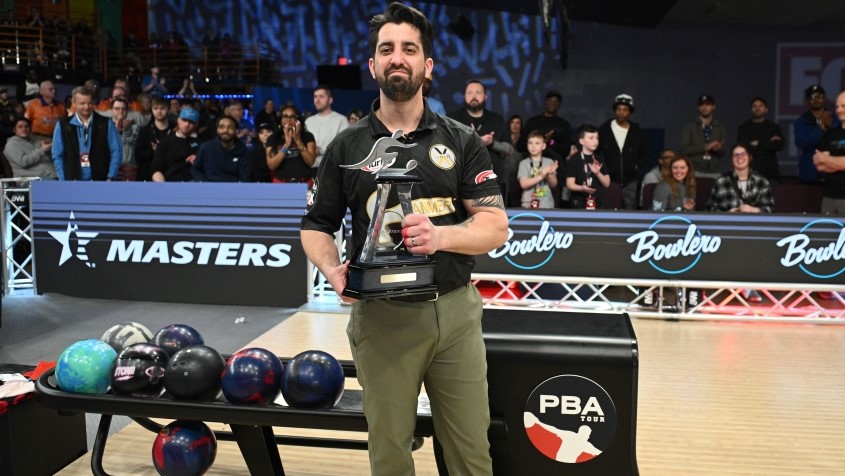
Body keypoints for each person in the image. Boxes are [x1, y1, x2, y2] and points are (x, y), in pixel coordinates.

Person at [300, 3, 507, 475]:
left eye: (409, 49)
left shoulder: (460, 140)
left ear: (427, 66)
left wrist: (439, 235)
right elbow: (315, 225)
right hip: (382, 318)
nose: (398, 57)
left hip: (455, 312)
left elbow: (496, 226)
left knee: (472, 455)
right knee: (391, 453)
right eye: (387, 49)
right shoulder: (346, 147)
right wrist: (332, 269)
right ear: (373, 65)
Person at [447, 79, 512, 199]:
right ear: (464, 97)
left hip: (491, 184)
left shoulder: (497, 120)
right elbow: (445, 147)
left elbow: (509, 150)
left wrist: (492, 143)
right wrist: (474, 142)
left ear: (485, 97)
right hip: (460, 182)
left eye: (478, 92)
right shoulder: (452, 119)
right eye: (470, 93)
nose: (474, 96)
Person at [51, 86, 121, 181]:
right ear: (74, 103)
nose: (87, 107)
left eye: (90, 103)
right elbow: (57, 155)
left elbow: (116, 152)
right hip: (72, 182)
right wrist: (63, 180)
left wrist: (111, 177)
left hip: (102, 181)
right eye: (82, 103)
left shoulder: (106, 123)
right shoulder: (63, 125)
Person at [598, 93, 649, 209]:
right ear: (614, 111)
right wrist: (603, 169)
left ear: (630, 112)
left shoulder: (636, 131)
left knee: (630, 211)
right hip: (609, 179)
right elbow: (596, 152)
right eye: (618, 109)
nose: (621, 112)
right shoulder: (604, 129)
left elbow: (645, 154)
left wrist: (636, 166)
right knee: (609, 210)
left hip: (630, 180)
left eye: (625, 110)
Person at [706, 143, 775, 214]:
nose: (739, 157)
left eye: (743, 154)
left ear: (750, 157)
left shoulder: (762, 182)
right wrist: (727, 214)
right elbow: (709, 209)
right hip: (729, 221)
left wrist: (754, 210)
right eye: (736, 155)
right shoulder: (721, 182)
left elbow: (770, 210)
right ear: (731, 159)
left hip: (754, 221)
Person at [795, 84, 840, 184]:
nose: (816, 99)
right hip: (810, 173)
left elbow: (840, 141)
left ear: (825, 98)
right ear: (807, 101)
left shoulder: (836, 119)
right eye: (812, 97)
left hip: (833, 172)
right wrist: (821, 129)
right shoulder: (801, 121)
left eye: (819, 96)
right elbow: (802, 143)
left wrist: (831, 127)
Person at [736, 97, 784, 182]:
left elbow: (779, 146)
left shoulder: (774, 127)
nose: (757, 108)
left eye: (760, 106)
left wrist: (759, 142)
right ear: (751, 109)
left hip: (770, 172)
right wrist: (768, 143)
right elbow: (744, 148)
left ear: (766, 109)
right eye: (754, 106)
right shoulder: (744, 128)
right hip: (750, 171)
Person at [813, 90, 845, 215]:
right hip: (829, 196)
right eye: (837, 106)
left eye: (843, 106)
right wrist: (839, 163)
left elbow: (823, 160)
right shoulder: (831, 133)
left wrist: (826, 159)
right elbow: (818, 164)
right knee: (826, 227)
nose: (839, 110)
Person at [191, 115, 251, 182]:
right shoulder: (206, 147)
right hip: (209, 186)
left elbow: (245, 179)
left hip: (233, 187)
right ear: (217, 130)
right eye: (222, 127)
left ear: (236, 131)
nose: (225, 130)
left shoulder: (244, 151)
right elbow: (195, 169)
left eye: (230, 127)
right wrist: (204, 184)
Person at [267, 105, 317, 184]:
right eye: (285, 117)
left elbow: (310, 162)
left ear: (297, 120)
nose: (289, 120)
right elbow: (271, 165)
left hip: (304, 183)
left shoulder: (307, 136)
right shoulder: (273, 138)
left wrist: (298, 141)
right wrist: (286, 144)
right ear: (280, 120)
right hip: (281, 183)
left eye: (292, 117)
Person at [304, 85, 349, 172]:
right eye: (315, 97)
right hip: (309, 170)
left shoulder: (341, 120)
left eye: (321, 96)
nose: (317, 100)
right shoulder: (308, 121)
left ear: (330, 100)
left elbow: (345, 148)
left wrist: (320, 150)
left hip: (332, 170)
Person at [519, 90, 572, 162]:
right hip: (533, 162)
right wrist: (538, 141)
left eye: (556, 101)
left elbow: (566, 151)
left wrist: (551, 142)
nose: (552, 103)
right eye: (550, 100)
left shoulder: (564, 125)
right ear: (545, 102)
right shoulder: (532, 122)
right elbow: (520, 146)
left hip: (555, 163)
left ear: (559, 104)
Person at [680, 94, 725, 179]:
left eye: (708, 104)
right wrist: (705, 148)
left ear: (713, 107)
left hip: (714, 171)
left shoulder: (719, 127)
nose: (704, 107)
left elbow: (723, 152)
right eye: (701, 104)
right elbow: (684, 149)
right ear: (698, 107)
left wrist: (718, 149)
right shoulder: (690, 126)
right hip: (694, 170)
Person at [566, 124, 610, 209]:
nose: (596, 141)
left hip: (598, 201)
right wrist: (582, 188)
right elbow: (569, 184)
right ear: (582, 141)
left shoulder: (599, 158)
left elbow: (607, 183)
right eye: (591, 138)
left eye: (597, 138)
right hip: (579, 202)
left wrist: (598, 173)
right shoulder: (574, 159)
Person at [151, 108, 200, 182]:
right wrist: (163, 186)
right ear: (178, 120)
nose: (187, 124)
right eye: (184, 120)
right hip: (171, 182)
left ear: (196, 124)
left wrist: (200, 161)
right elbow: (156, 170)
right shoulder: (166, 142)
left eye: (191, 122)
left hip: (196, 183)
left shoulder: (203, 143)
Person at [517, 129, 558, 208]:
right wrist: (541, 175)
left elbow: (554, 184)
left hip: (546, 205)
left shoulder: (549, 162)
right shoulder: (523, 163)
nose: (533, 146)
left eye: (537, 143)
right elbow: (523, 184)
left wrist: (549, 174)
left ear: (543, 146)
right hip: (528, 204)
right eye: (530, 143)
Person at [135, 96, 172, 181]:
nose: (159, 111)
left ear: (168, 109)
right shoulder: (145, 130)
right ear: (151, 110)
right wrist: (153, 151)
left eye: (162, 108)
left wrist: (161, 150)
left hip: (169, 175)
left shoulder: (174, 130)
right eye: (155, 108)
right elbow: (138, 154)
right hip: (147, 175)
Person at [110, 97, 141, 181]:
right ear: (111, 110)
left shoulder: (136, 128)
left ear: (127, 111)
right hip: (110, 168)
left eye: (123, 109)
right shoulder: (105, 128)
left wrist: (126, 130)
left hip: (129, 169)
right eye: (117, 109)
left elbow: (130, 144)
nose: (120, 111)